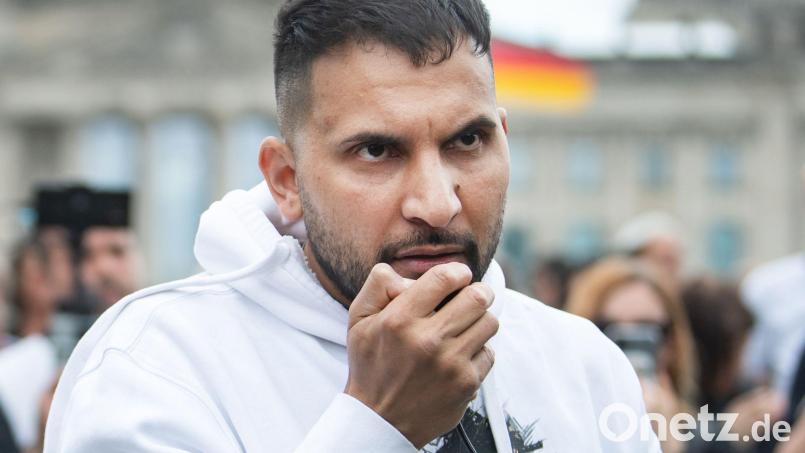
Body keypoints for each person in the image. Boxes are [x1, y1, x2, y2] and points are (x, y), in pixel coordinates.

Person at [44, 1, 659, 451]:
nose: (437, 202)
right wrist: (375, 424)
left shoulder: (583, 362)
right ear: (286, 180)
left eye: (467, 140)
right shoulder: (154, 367)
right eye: (376, 151)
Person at [566, 257, 696, 453]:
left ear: (672, 341)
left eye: (648, 329)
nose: (628, 349)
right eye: (608, 329)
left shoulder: (709, 436)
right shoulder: (560, 426)